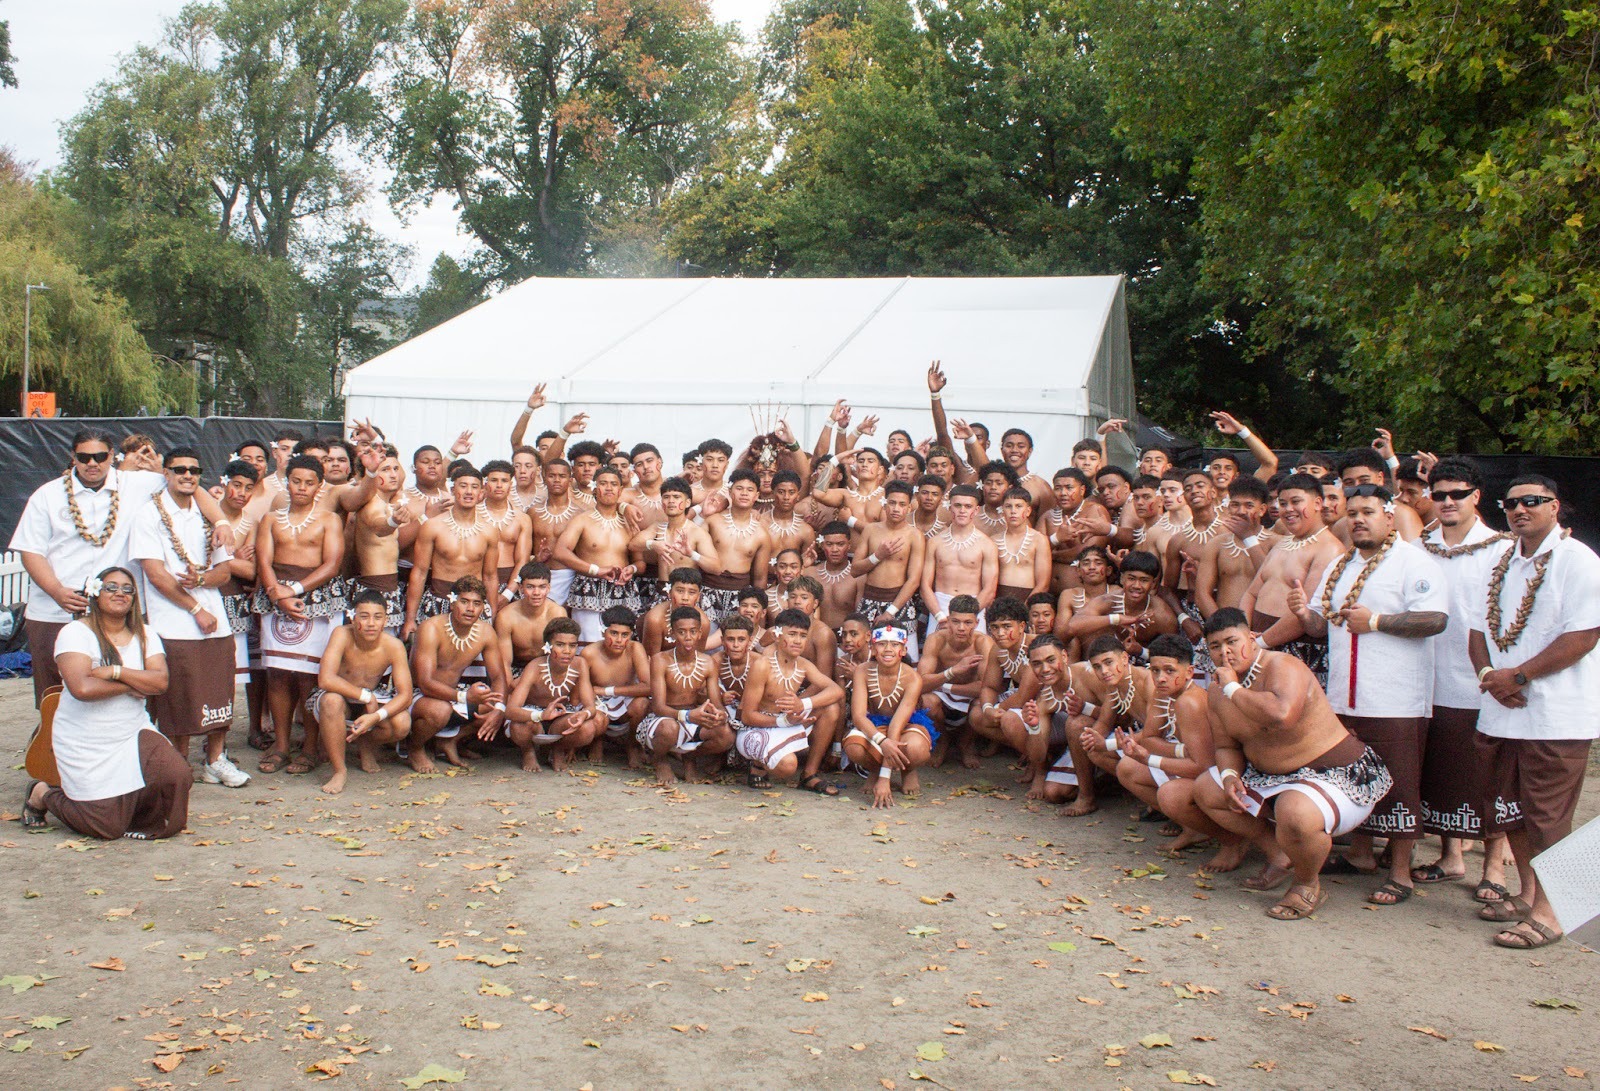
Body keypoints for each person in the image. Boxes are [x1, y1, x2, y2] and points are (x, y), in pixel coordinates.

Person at [1294, 486, 1447, 906]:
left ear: (1389, 518)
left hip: (1395, 697)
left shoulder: (1414, 561)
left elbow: (1435, 619)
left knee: (1399, 782)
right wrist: (1300, 612)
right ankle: (1361, 854)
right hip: (1344, 696)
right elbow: (1316, 627)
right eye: (1353, 513)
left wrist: (1377, 621)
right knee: (1352, 776)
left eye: (1369, 512)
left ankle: (1400, 873)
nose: (1359, 519)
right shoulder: (1340, 565)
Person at [1192, 609, 1394, 920]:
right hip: (1270, 776)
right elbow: (1226, 745)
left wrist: (1234, 688)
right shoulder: (1217, 692)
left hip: (1335, 774)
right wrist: (1231, 775)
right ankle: (1278, 854)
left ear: (1251, 638)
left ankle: (1307, 883)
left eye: (1232, 642)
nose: (1225, 652)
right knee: (1208, 788)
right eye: (1215, 647)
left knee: (1295, 813)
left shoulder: (1283, 665)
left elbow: (1281, 714)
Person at [1468, 476, 1600, 949]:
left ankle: (1553, 911)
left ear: (1555, 506)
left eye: (1533, 502)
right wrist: (1489, 676)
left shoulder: (1578, 561)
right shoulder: (1499, 563)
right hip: (1502, 709)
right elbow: (1476, 631)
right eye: (1512, 503)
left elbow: (1583, 636)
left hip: (1556, 714)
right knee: (1509, 809)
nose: (1521, 510)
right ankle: (1527, 893)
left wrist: (1517, 676)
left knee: (1548, 816)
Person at [11, 429, 227, 704]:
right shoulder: (47, 495)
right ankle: (52, 746)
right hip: (54, 610)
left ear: (112, 456)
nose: (93, 463)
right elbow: (31, 551)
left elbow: (190, 486)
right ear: (73, 457)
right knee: (54, 692)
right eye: (84, 457)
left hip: (120, 610)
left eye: (100, 456)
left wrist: (220, 523)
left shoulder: (138, 484)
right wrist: (56, 591)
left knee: (130, 690)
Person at [22, 567, 190, 841]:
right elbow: (82, 688)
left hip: (131, 730)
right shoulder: (75, 632)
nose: (120, 593)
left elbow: (160, 683)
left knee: (175, 775)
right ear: (95, 594)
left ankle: (128, 811)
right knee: (105, 827)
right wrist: (136, 684)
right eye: (111, 587)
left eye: (128, 589)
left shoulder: (146, 634)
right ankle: (42, 793)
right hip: (84, 738)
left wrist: (116, 672)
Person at [1411, 459, 1513, 901]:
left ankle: (1494, 864)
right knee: (1439, 768)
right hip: (1425, 675)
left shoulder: (1501, 548)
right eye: (1439, 494)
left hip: (1479, 676)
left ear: (1476, 496)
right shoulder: (1418, 546)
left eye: (1457, 493)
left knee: (1486, 772)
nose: (1447, 502)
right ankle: (1450, 856)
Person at [129, 447, 248, 787]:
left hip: (217, 621)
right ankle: (177, 764)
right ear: (165, 473)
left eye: (194, 470)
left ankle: (215, 760)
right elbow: (155, 573)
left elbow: (224, 572)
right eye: (179, 469)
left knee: (220, 691)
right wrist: (195, 608)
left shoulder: (207, 515)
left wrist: (200, 581)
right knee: (181, 696)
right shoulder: (149, 515)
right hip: (174, 622)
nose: (187, 475)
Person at [255, 454, 346, 774]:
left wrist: (292, 592)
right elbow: (263, 561)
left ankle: (309, 747)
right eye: (296, 481)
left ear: (320, 487)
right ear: (287, 481)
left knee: (310, 678)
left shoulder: (329, 520)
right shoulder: (271, 519)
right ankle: (281, 746)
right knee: (277, 674)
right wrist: (276, 595)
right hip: (275, 598)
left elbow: (331, 565)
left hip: (317, 600)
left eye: (309, 482)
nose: (302, 488)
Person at [1112, 634, 1214, 851]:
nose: (1160, 678)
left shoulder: (1190, 702)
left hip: (1214, 774)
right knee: (1127, 768)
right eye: (1155, 670)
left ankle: (1231, 842)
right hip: (1191, 763)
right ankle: (1191, 828)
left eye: (1169, 671)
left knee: (1169, 795)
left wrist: (1149, 759)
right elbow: (1148, 738)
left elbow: (1202, 766)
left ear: (1189, 672)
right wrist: (1180, 750)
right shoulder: (1163, 692)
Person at [1240, 472, 1343, 685]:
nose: (1288, 509)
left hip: (1295, 646)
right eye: (1283, 503)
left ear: (1317, 503)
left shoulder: (1329, 548)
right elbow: (1251, 592)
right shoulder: (1283, 543)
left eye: (1296, 501)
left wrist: (1260, 643)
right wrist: (1243, 632)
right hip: (1256, 642)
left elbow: (1306, 610)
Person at [314, 590, 414, 794]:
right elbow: (325, 679)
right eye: (364, 616)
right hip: (340, 697)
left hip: (371, 703)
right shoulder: (341, 634)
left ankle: (365, 744)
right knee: (331, 701)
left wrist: (376, 716)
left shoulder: (394, 646)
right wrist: (365, 696)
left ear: (386, 620)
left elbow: (406, 695)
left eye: (377, 617)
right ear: (353, 617)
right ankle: (339, 770)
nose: (371, 623)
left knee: (402, 723)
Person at [737, 608, 847, 793]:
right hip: (756, 729)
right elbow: (747, 717)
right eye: (792, 634)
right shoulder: (763, 665)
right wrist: (784, 721)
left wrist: (803, 704)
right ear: (778, 636)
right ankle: (757, 766)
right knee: (788, 766)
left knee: (831, 708)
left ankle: (809, 775)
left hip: (785, 722)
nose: (798, 641)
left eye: (803, 636)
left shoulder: (803, 665)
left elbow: (836, 691)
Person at [408, 577, 509, 772]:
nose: (470, 609)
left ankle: (451, 741)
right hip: (420, 696)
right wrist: (463, 696)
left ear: (483, 608)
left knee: (499, 703)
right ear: (453, 602)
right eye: (464, 602)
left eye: (477, 603)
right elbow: (424, 682)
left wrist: (500, 708)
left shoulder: (486, 632)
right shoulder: (431, 628)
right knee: (439, 711)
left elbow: (498, 677)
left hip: (453, 695)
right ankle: (415, 748)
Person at [403, 464, 499, 639]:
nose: (469, 492)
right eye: (463, 486)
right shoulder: (433, 526)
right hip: (438, 600)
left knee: (474, 662)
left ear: (481, 493)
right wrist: (410, 618)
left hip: (474, 604)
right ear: (453, 490)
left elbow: (490, 576)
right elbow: (419, 572)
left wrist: (493, 615)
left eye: (474, 486)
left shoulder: (489, 531)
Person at [841, 624, 932, 806]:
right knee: (853, 747)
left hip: (905, 726)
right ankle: (874, 770)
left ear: (904, 650)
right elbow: (858, 716)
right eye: (882, 644)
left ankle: (908, 769)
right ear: (873, 649)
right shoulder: (862, 670)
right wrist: (882, 742)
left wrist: (885, 778)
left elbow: (897, 724)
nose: (888, 649)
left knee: (916, 748)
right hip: (875, 726)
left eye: (895, 644)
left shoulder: (913, 678)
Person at [641, 607, 734, 784]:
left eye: (692, 632)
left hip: (693, 717)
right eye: (681, 632)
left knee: (726, 735)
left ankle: (690, 757)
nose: (688, 637)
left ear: (700, 633)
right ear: (672, 633)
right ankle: (660, 760)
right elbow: (658, 706)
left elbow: (716, 702)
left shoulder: (708, 662)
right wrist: (688, 715)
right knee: (669, 729)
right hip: (662, 718)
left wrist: (720, 714)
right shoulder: (660, 660)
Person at [552, 466, 641, 642]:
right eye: (603, 483)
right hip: (589, 590)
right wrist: (595, 570)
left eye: (614, 484)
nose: (609, 488)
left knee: (622, 646)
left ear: (620, 490)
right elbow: (560, 551)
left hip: (623, 590)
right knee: (588, 644)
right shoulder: (582, 520)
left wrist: (632, 568)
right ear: (594, 488)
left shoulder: (629, 522)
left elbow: (640, 562)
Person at [506, 617, 602, 772]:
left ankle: (558, 749)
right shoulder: (535, 666)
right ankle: (528, 751)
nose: (567, 651)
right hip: (534, 718)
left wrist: (584, 714)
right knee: (518, 727)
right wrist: (541, 715)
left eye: (572, 645)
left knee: (588, 728)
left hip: (560, 717)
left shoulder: (580, 664)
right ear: (548, 646)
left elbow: (590, 706)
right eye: (560, 645)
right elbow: (511, 710)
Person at [853, 480, 927, 657]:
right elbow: (855, 570)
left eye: (902, 504)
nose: (896, 508)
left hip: (899, 603)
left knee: (906, 659)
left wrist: (890, 611)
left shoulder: (914, 536)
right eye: (892, 503)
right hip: (869, 600)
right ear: (884, 505)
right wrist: (878, 555)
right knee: (868, 658)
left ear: (909, 508)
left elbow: (914, 579)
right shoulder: (870, 530)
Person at [917, 594, 992, 768]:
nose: (961, 628)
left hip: (963, 694)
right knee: (927, 700)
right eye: (956, 621)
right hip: (941, 695)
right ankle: (942, 742)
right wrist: (952, 671)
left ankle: (966, 744)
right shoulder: (936, 640)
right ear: (948, 620)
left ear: (977, 623)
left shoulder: (984, 643)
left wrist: (945, 685)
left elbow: (985, 687)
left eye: (967, 623)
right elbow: (921, 683)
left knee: (984, 703)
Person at [921, 485, 999, 638]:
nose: (962, 510)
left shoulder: (987, 544)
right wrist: (940, 617)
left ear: (976, 510)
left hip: (974, 606)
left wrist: (968, 616)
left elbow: (989, 589)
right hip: (940, 606)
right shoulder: (935, 542)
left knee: (975, 658)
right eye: (958, 505)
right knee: (937, 654)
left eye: (968, 506)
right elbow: (925, 585)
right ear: (950, 508)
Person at [349, 447, 413, 632]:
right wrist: (394, 521)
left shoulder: (386, 501)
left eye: (395, 469)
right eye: (385, 470)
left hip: (389, 587)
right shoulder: (372, 505)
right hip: (374, 590)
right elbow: (380, 527)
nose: (393, 475)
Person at [581, 606, 653, 766]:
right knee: (598, 720)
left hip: (625, 698)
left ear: (631, 635)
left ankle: (633, 744)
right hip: (598, 703)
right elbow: (582, 688)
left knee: (642, 703)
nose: (619, 640)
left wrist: (608, 690)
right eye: (614, 633)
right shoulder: (589, 653)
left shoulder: (635, 649)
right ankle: (597, 741)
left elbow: (648, 686)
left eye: (625, 635)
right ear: (603, 632)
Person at [703, 469, 773, 618]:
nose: (744, 493)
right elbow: (691, 547)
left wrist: (757, 618)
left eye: (750, 490)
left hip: (740, 598)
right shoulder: (713, 521)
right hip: (706, 592)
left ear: (756, 496)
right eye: (739, 488)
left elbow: (760, 579)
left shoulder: (762, 534)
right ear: (730, 491)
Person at [530, 458, 586, 605]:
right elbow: (524, 552)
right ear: (544, 478)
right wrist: (536, 559)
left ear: (570, 480)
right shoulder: (533, 512)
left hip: (570, 576)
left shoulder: (580, 514)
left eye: (562, 476)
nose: (556, 480)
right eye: (551, 475)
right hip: (539, 576)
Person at [494, 562, 568, 672]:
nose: (536, 593)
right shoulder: (506, 617)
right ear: (520, 588)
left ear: (548, 588)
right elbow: (504, 664)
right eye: (530, 587)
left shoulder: (557, 614)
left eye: (542, 587)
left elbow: (561, 657)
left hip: (547, 670)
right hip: (515, 670)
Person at [480, 459, 534, 601]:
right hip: (478, 580)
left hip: (511, 582)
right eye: (494, 480)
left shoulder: (522, 519)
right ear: (485, 484)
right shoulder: (473, 515)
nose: (499, 485)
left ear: (511, 484)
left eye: (504, 481)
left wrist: (508, 594)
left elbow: (522, 560)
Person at [994, 487, 1050, 606]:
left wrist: (1026, 606)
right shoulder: (993, 540)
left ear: (1028, 511)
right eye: (1008, 506)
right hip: (998, 599)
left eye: (1019, 506)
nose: (1013, 511)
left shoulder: (1039, 540)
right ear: (1002, 510)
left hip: (1028, 597)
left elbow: (1043, 583)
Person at [807, 521, 864, 630]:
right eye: (829, 544)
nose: (834, 550)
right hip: (816, 637)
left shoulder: (858, 577)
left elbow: (860, 617)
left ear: (849, 545)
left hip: (846, 640)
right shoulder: (809, 573)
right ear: (822, 545)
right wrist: (803, 566)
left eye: (840, 544)